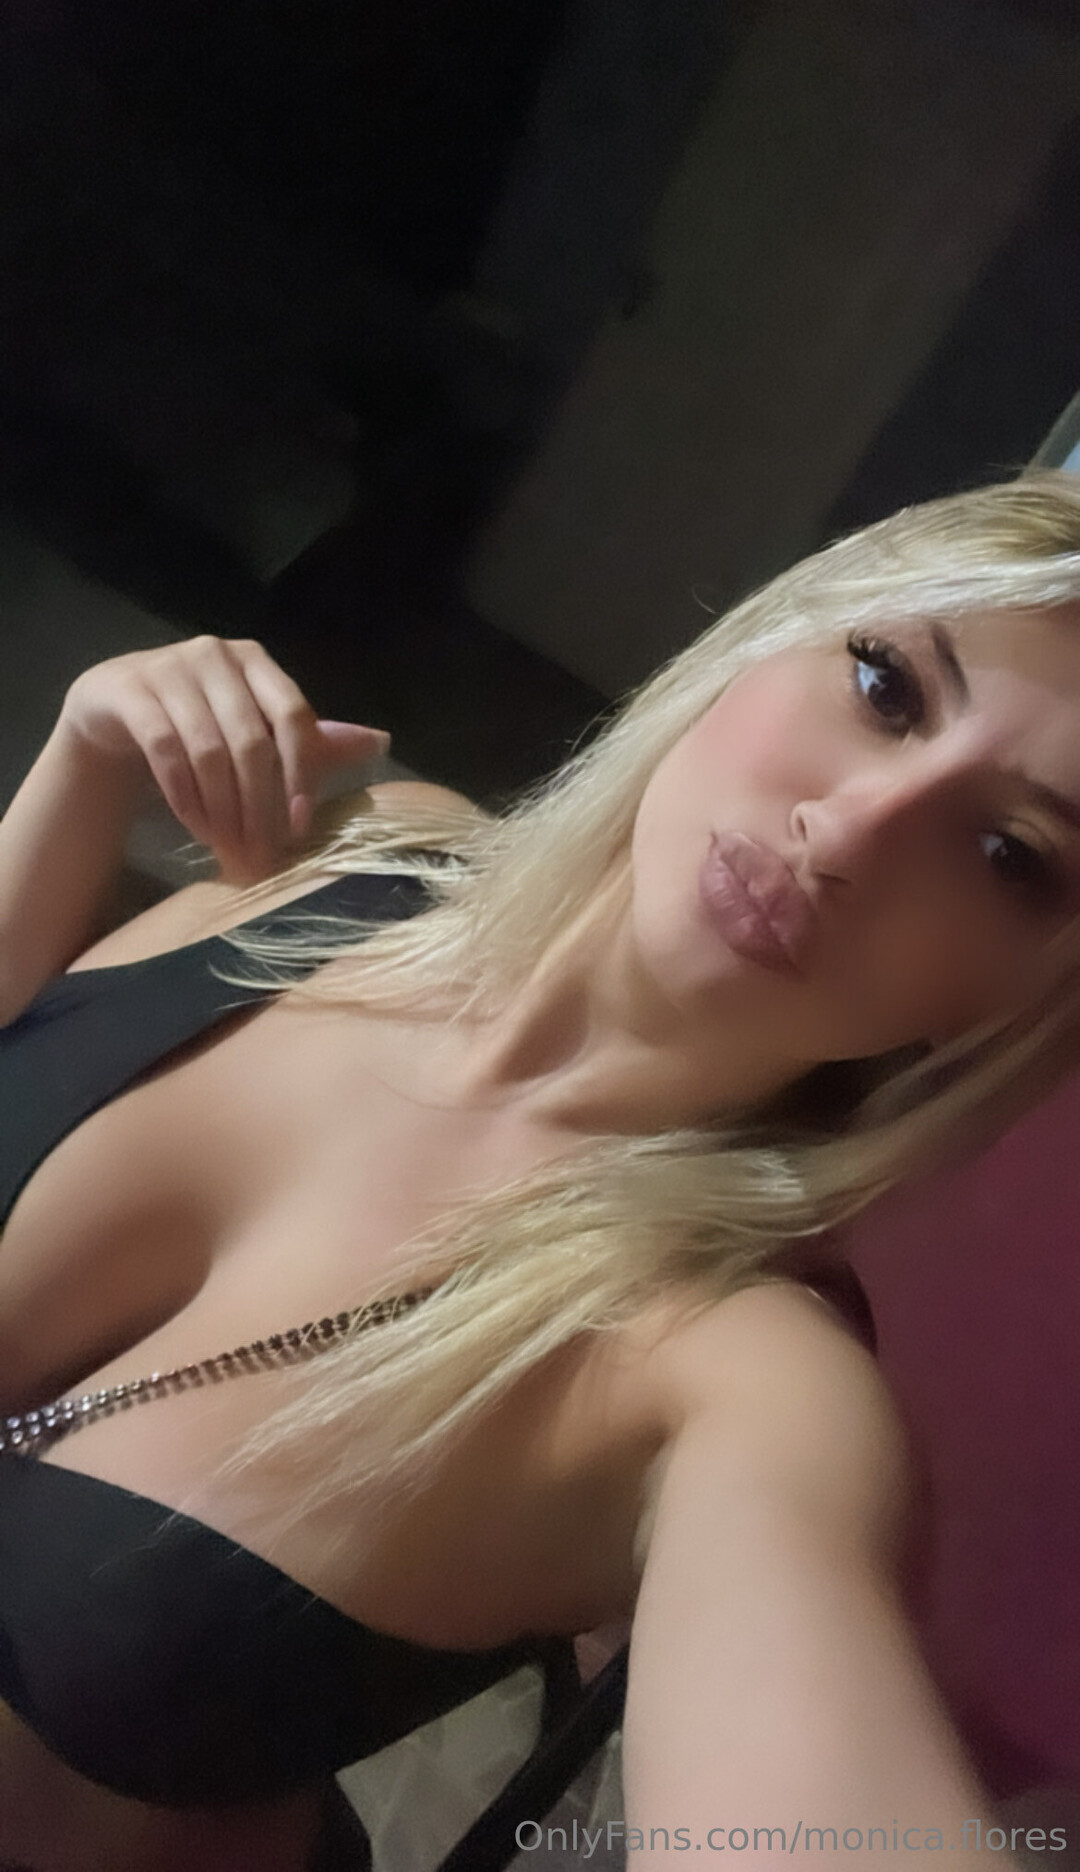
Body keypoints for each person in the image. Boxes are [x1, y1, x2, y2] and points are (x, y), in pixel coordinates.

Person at [1, 466, 1079, 1872]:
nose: (850, 832)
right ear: (774, 635)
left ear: (1020, 1002)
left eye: (1007, 854)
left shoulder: (738, 1383)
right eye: (887, 686)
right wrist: (77, 778)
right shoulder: (358, 852)